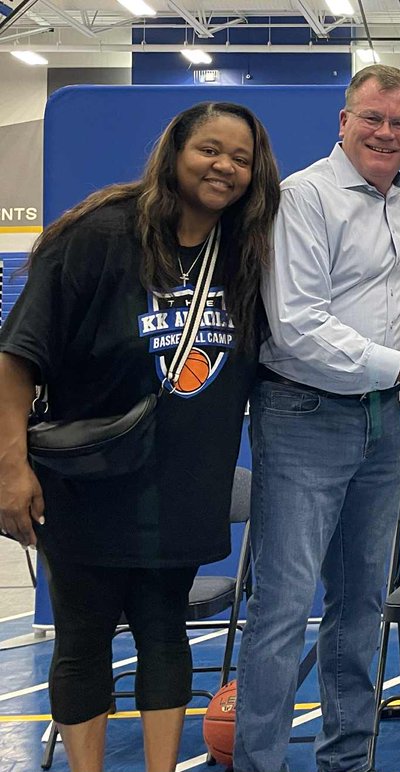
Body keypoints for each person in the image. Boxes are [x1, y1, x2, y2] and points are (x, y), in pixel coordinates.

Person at [0, 101, 279, 772]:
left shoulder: (243, 254)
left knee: (164, 634)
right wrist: (11, 469)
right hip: (87, 481)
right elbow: (17, 356)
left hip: (183, 483)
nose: (225, 167)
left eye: (241, 159)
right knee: (82, 639)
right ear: (175, 151)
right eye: (210, 150)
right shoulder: (100, 236)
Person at [234, 65, 400, 772]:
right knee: (282, 607)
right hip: (301, 413)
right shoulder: (302, 198)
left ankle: (347, 759)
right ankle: (258, 763)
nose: (386, 132)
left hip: (378, 424)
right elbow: (298, 326)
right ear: (344, 122)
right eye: (373, 118)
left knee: (362, 603)